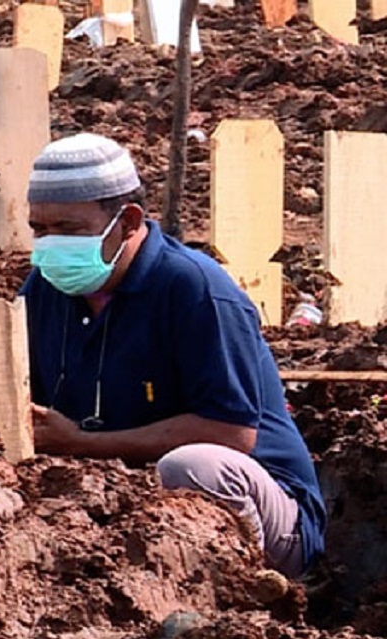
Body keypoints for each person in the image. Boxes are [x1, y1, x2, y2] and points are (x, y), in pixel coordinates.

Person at [19, 133, 326, 578]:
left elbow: (231, 435)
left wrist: (82, 445)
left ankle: (246, 593)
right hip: (128, 510)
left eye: (68, 229)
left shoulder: (196, 292)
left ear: (127, 221)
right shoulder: (45, 290)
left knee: (192, 467)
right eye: (40, 230)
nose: (50, 246)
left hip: (266, 512)